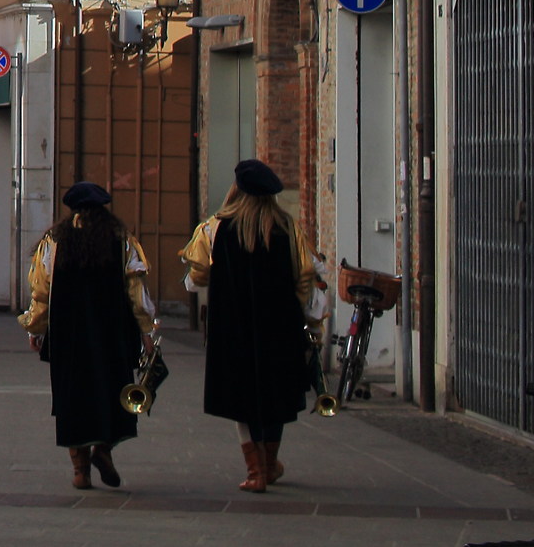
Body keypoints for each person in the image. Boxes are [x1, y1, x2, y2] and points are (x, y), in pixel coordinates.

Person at [184, 158, 323, 493]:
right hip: (279, 325)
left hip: (232, 326)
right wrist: (308, 316)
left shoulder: (215, 228)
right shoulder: (287, 228)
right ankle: (271, 464)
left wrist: (196, 279)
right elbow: (306, 276)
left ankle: (256, 471)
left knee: (240, 397)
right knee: (275, 394)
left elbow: (196, 275)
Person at [19, 182, 158, 491]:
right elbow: (136, 290)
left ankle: (80, 470)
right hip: (113, 335)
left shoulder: (54, 242)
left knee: (72, 398)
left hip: (69, 335)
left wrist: (35, 328)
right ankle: (104, 450)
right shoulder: (121, 240)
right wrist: (147, 330)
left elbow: (41, 291)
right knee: (112, 393)